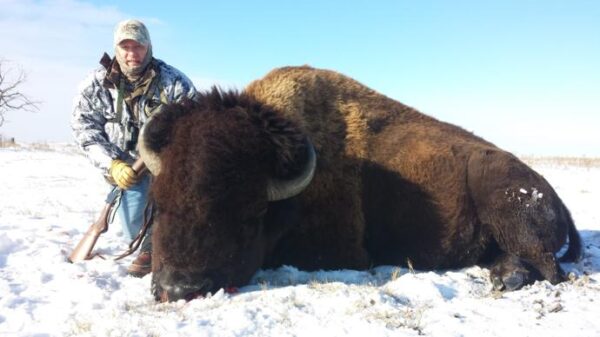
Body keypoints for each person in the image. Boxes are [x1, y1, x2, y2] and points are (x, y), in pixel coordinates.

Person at [71, 19, 198, 277]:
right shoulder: (96, 84)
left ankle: (160, 245)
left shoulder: (174, 82)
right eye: (125, 47)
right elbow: (83, 127)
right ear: (116, 48)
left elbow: (196, 123)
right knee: (133, 228)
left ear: (149, 46)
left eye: (138, 46)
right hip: (126, 168)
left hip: (167, 166)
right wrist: (112, 164)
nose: (132, 54)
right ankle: (146, 238)